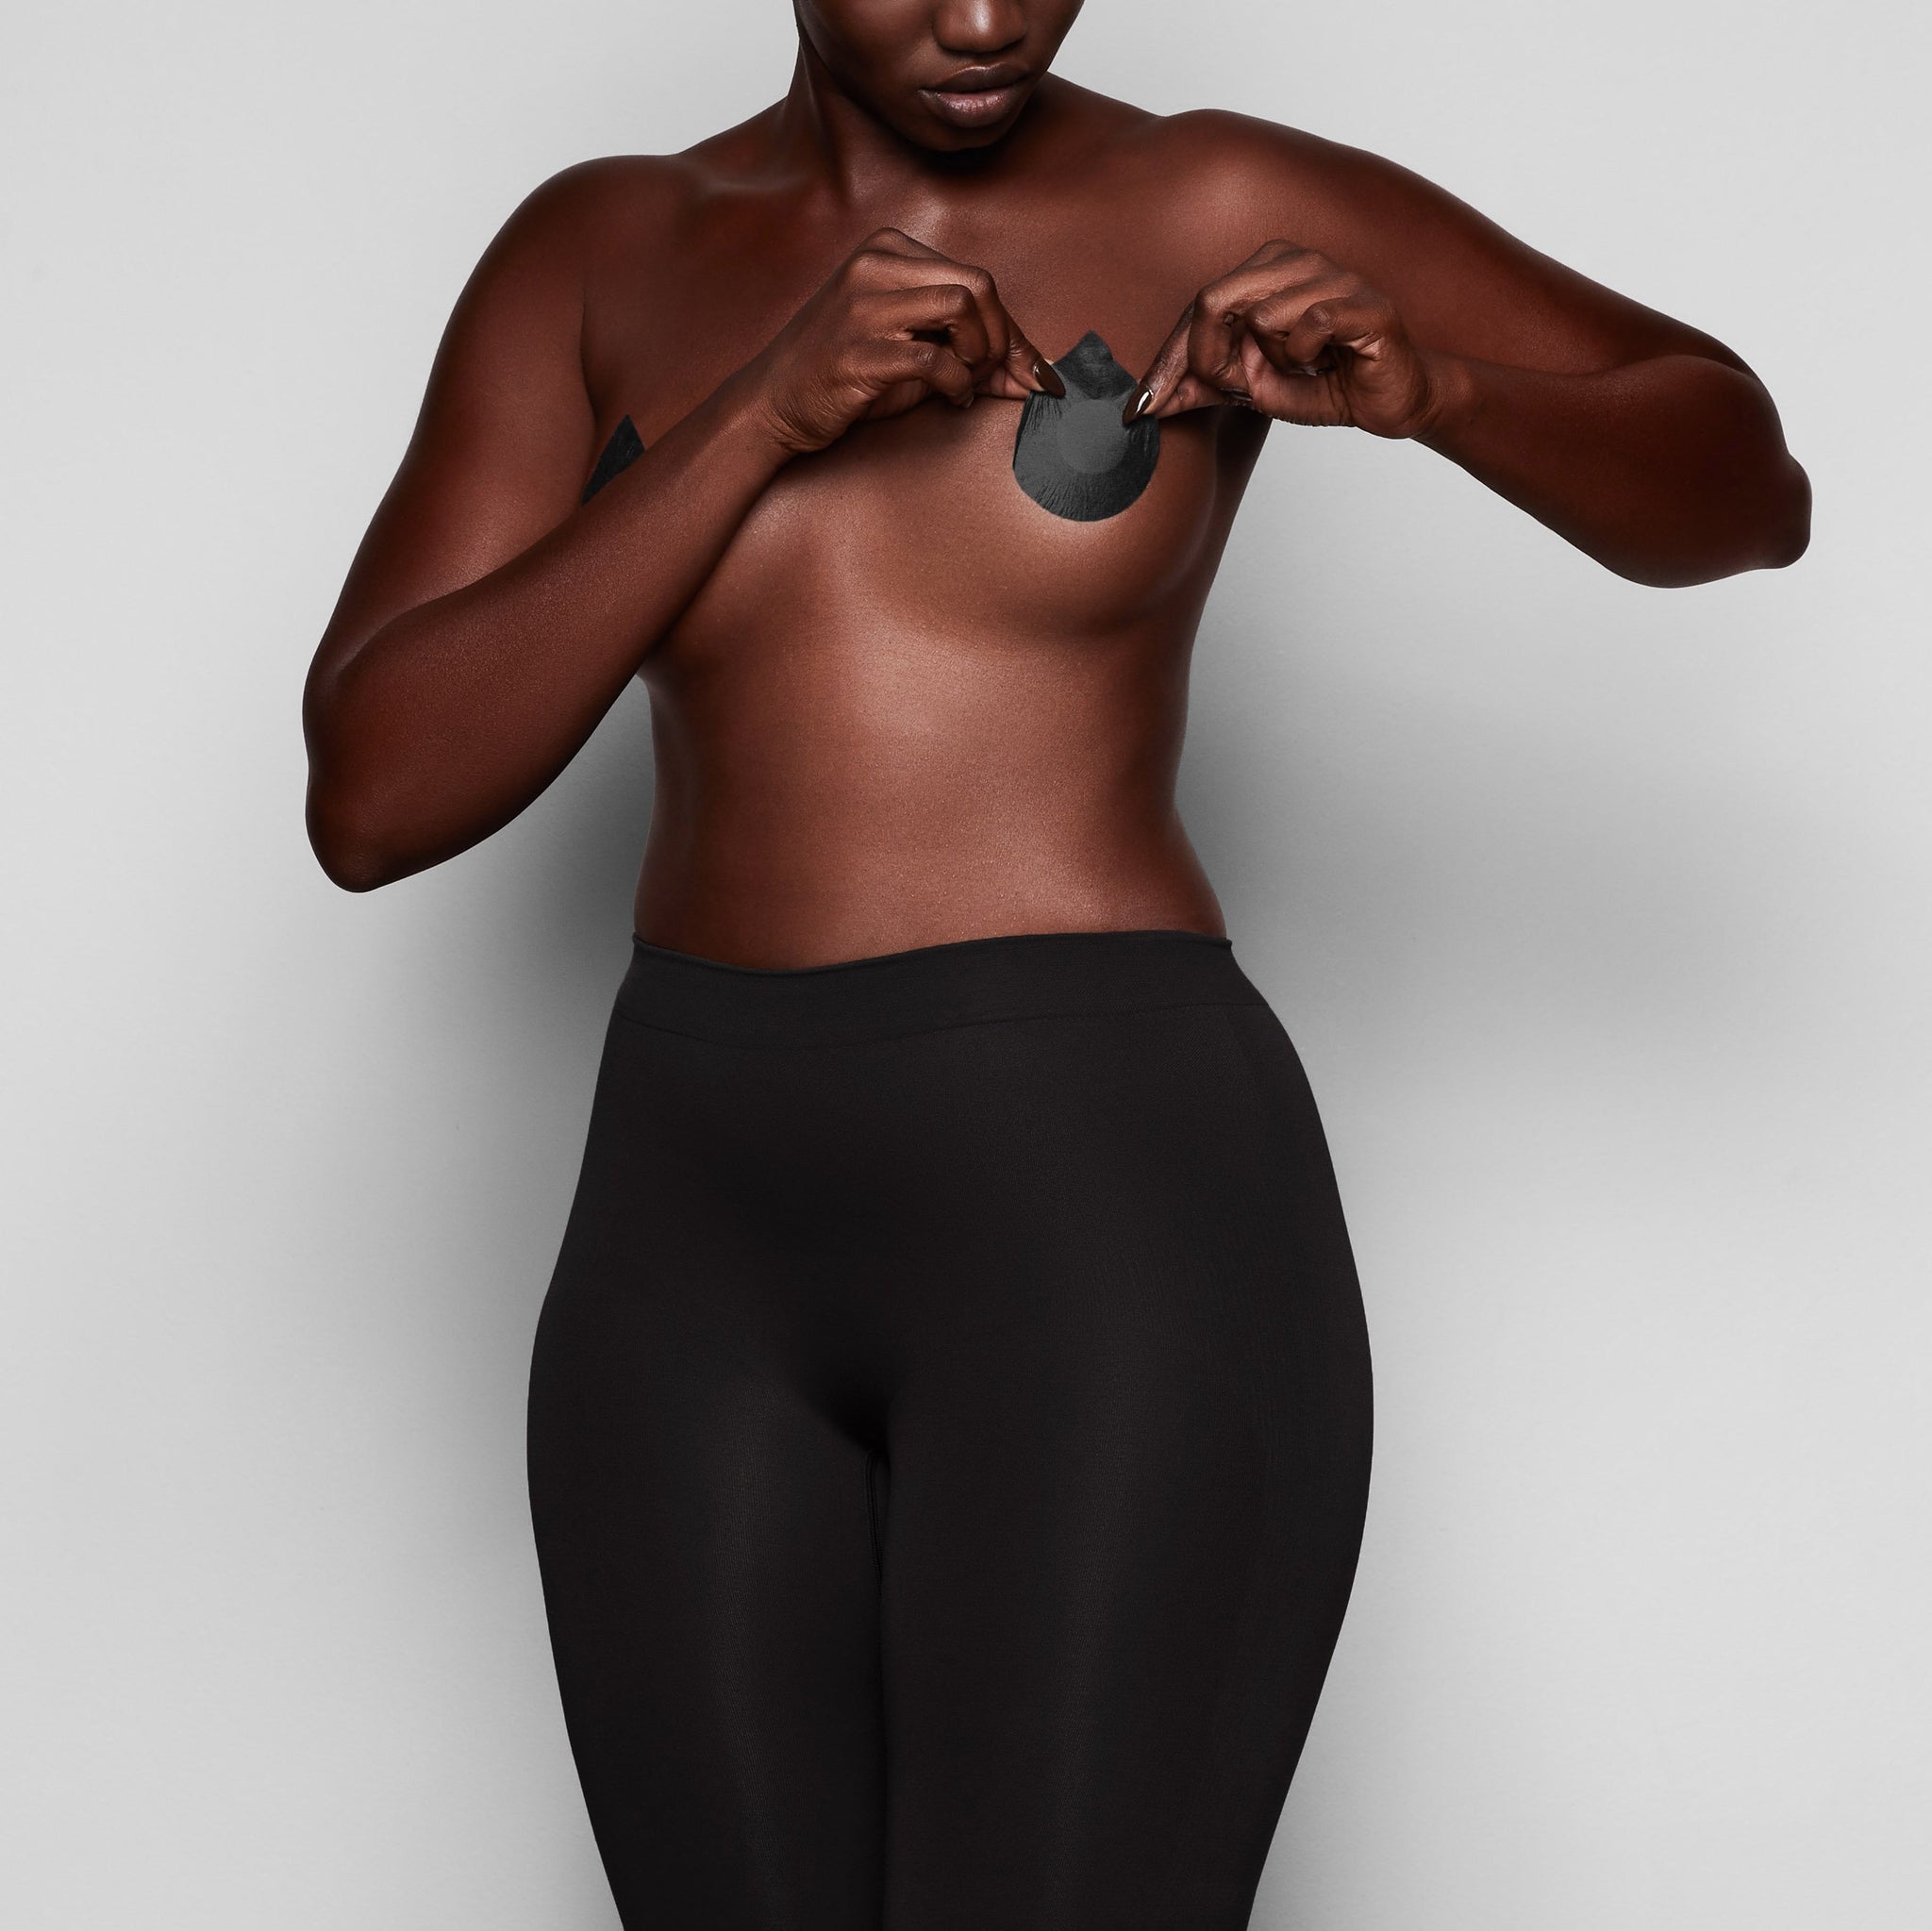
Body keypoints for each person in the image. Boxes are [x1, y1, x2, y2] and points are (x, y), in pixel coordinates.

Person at [301, 3, 1809, 1924]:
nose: (987, 18)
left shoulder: (1207, 194)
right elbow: (377, 794)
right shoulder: (599, 251)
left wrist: (1443, 390)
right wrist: (760, 412)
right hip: (685, 1243)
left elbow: (1746, 490)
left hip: (1107, 1210)